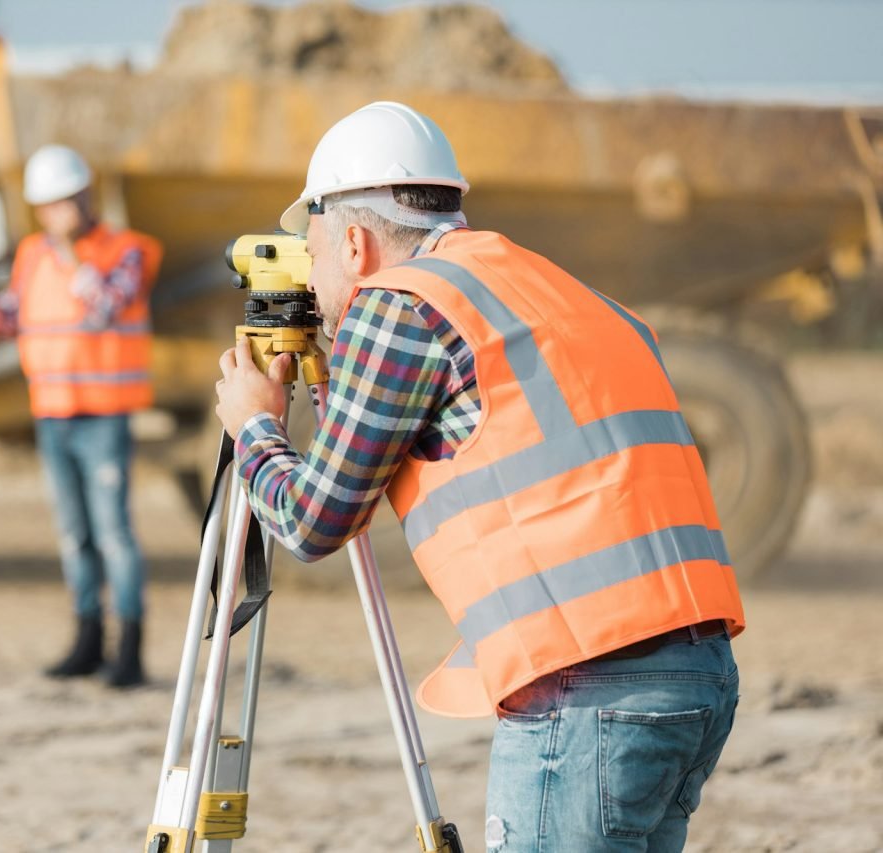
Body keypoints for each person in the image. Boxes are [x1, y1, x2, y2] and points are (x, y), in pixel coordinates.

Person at [213, 102, 744, 851]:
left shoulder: (399, 306)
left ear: (356, 242)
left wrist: (255, 425)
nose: (314, 272)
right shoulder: (557, 291)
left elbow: (310, 522)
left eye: (315, 246)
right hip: (698, 674)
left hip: (588, 688)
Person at [0, 144, 162, 688]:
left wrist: (70, 255)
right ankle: (87, 640)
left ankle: (128, 652)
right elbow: (9, 319)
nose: (53, 215)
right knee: (73, 535)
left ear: (85, 197)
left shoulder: (127, 250)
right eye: (45, 206)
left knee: (114, 535)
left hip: (104, 416)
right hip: (52, 414)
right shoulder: (32, 253)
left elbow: (106, 305)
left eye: (62, 202)